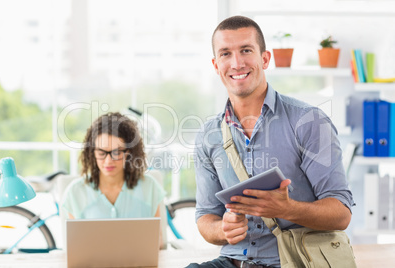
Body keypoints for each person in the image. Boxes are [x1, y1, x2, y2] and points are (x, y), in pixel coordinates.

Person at [189, 16, 355, 268]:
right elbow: (205, 218)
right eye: (225, 54)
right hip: (233, 261)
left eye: (246, 50)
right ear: (216, 64)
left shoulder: (309, 121)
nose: (236, 63)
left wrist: (288, 209)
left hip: (295, 260)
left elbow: (341, 213)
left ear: (264, 58)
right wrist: (223, 229)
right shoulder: (208, 135)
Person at [61, 112, 166, 240]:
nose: (108, 161)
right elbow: (74, 245)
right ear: (92, 152)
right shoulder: (75, 192)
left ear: (129, 152)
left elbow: (158, 241)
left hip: (137, 260)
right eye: (101, 152)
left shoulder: (149, 187)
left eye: (117, 152)